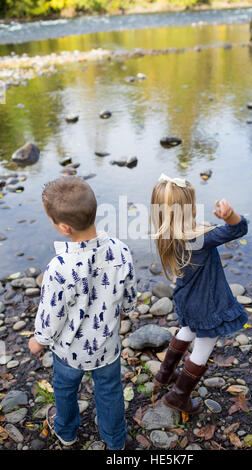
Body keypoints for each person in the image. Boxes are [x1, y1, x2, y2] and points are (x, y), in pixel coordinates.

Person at [28, 176, 136, 449]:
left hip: (68, 350)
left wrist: (39, 339)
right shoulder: (121, 251)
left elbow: (51, 313)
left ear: (64, 227)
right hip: (107, 346)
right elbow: (129, 297)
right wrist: (122, 313)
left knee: (65, 389)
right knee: (110, 392)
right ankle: (115, 441)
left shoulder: (60, 267)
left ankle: (66, 430)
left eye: (51, 221)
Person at [150, 173, 248, 414]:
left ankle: (165, 373)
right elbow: (238, 230)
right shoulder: (201, 238)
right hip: (205, 304)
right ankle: (178, 396)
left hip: (185, 298)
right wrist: (231, 216)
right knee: (204, 345)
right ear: (190, 210)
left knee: (188, 329)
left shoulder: (166, 234)